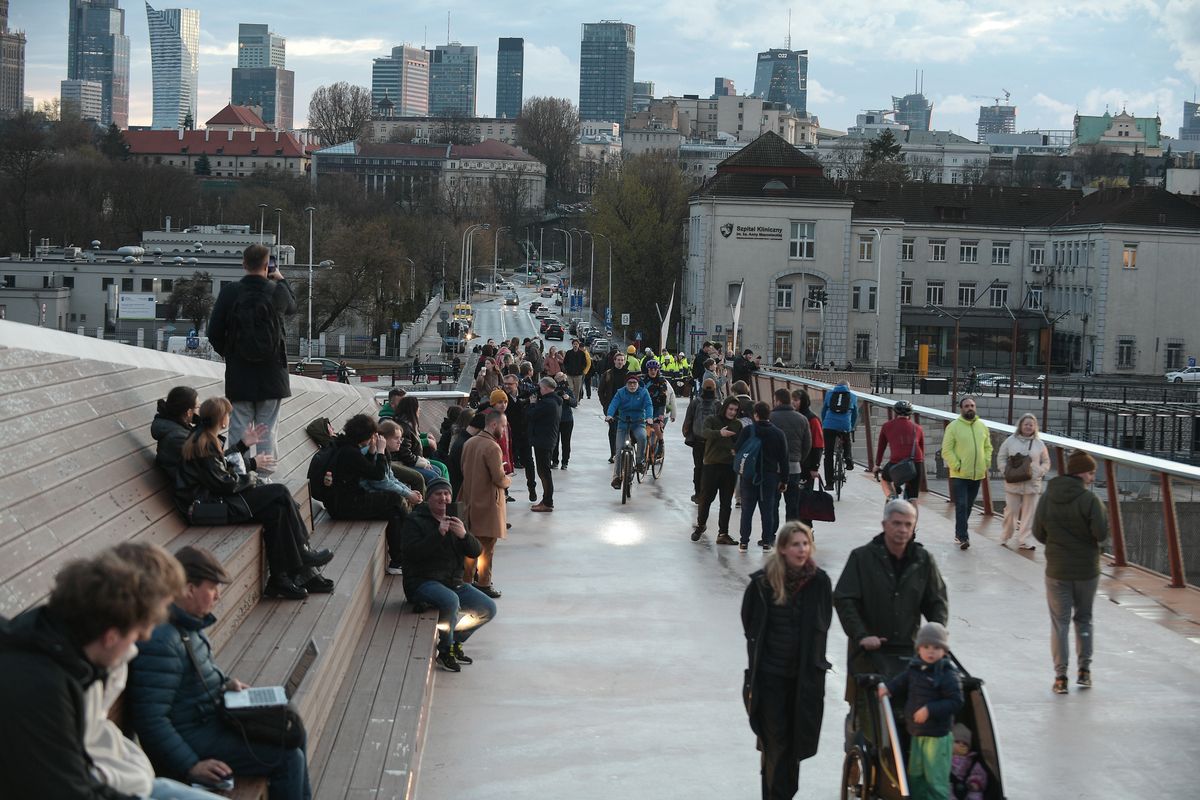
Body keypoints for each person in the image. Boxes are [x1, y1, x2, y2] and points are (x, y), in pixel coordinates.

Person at [128, 546, 313, 799]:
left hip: (210, 718)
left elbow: (193, 678)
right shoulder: (161, 640)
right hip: (194, 736)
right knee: (288, 758)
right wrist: (191, 764)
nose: (217, 596)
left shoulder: (187, 623)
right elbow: (151, 719)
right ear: (188, 589)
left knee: (291, 729)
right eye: (212, 588)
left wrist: (225, 684)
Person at [0, 547, 181, 800]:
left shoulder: (61, 654)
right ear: (111, 637)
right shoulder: (42, 686)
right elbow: (68, 790)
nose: (144, 639)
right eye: (136, 635)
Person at [177, 397, 333, 600]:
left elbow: (219, 469)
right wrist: (251, 477)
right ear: (221, 419)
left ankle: (279, 579)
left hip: (212, 503)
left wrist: (242, 445)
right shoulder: (205, 443)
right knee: (280, 492)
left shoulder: (203, 438)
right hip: (211, 507)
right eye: (227, 415)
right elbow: (225, 483)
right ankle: (302, 552)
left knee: (276, 512)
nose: (229, 418)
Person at [834, 500, 948, 737]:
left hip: (910, 654)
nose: (903, 530)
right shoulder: (862, 558)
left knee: (909, 723)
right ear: (884, 524)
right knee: (869, 726)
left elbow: (937, 602)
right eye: (897, 523)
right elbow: (845, 599)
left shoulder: (923, 560)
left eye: (908, 524)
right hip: (868, 656)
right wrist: (862, 635)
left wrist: (935, 639)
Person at [740, 522, 831, 800]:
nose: (802, 549)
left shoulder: (820, 582)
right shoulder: (762, 583)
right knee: (776, 745)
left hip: (803, 680)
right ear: (782, 549)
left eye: (806, 544)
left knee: (794, 749)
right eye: (796, 544)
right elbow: (750, 623)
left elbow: (823, 622)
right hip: (769, 680)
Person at [206, 244, 296, 473]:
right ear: (267, 266)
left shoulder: (230, 292)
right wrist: (280, 278)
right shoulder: (277, 291)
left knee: (239, 429)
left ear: (244, 264)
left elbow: (214, 332)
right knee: (268, 431)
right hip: (273, 376)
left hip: (240, 375)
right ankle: (265, 479)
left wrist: (231, 354)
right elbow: (293, 306)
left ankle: (237, 475)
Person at [398, 477, 496, 672]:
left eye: (447, 494)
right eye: (438, 494)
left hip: (452, 581)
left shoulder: (455, 517)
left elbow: (475, 552)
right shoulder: (415, 520)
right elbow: (412, 554)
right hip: (422, 582)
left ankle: (455, 641)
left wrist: (464, 536)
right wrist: (438, 534)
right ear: (428, 498)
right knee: (451, 601)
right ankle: (444, 652)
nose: (443, 498)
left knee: (487, 608)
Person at [1033, 450, 1108, 695]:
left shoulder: (1048, 496)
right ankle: (1084, 672)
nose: (1092, 476)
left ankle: (1060, 677)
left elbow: (1037, 532)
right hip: (1087, 570)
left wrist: (1056, 544)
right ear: (1081, 472)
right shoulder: (1090, 500)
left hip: (1057, 570)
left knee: (1060, 624)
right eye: (1091, 471)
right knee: (1084, 619)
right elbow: (1101, 533)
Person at [152, 385, 275, 510]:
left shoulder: (179, 431)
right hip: (202, 500)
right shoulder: (178, 439)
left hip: (206, 492)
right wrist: (251, 464)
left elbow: (213, 463)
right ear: (189, 412)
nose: (200, 412)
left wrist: (242, 445)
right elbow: (213, 468)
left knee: (278, 498)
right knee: (277, 497)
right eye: (198, 407)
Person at [878, 622, 964, 800]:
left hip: (937, 738)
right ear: (918, 649)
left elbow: (956, 701)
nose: (930, 651)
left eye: (936, 647)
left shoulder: (948, 674)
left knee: (935, 780)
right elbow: (902, 681)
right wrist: (889, 688)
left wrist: (930, 709)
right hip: (917, 733)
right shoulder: (915, 668)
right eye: (926, 647)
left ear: (944, 651)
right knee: (916, 776)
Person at [323, 414, 411, 577]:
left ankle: (398, 561)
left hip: (341, 503)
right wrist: (380, 452)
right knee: (395, 498)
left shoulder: (347, 447)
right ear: (364, 435)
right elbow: (377, 475)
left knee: (393, 513)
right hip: (344, 506)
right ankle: (410, 545)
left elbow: (367, 470)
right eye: (372, 435)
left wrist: (371, 452)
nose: (374, 437)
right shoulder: (350, 452)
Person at [460, 411, 511, 599]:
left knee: (470, 546)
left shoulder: (469, 443)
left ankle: (466, 581)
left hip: (470, 500)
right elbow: (498, 478)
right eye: (503, 426)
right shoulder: (492, 447)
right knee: (487, 547)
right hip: (488, 503)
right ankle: (484, 584)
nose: (504, 430)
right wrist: (508, 480)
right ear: (494, 425)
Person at [734, 402, 789, 553]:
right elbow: (784, 459)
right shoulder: (778, 433)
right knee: (768, 510)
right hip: (770, 477)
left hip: (749, 476)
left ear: (755, 415)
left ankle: (744, 543)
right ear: (769, 414)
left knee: (747, 510)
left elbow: (737, 449)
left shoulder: (748, 431)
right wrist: (784, 480)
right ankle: (766, 542)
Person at [941, 397, 993, 550]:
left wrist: (986, 462)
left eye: (972, 405)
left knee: (968, 505)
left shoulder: (982, 426)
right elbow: (947, 450)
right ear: (961, 408)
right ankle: (963, 536)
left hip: (977, 474)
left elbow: (988, 447)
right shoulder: (953, 427)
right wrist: (956, 465)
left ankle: (959, 533)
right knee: (961, 504)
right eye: (966, 406)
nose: (970, 408)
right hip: (959, 474)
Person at [694, 396, 744, 544]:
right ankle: (701, 525)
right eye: (730, 409)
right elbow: (704, 433)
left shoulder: (737, 425)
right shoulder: (712, 420)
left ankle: (723, 533)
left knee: (726, 502)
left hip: (729, 467)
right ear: (725, 408)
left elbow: (741, 441)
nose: (732, 412)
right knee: (706, 499)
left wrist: (737, 449)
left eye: (735, 410)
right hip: (711, 465)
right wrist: (719, 433)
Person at [998, 413, 1051, 551]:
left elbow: (1046, 461)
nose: (1028, 427)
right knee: (1011, 511)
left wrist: (1040, 471)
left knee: (1029, 513)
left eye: (1031, 425)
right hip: (1013, 482)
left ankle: (1025, 540)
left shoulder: (1039, 444)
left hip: (1032, 483)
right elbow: (1001, 457)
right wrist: (1005, 471)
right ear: (1020, 425)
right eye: (1026, 424)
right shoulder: (1010, 441)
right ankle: (1006, 535)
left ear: (1035, 427)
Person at [874, 400, 925, 514]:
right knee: (913, 498)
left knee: (885, 479)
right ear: (910, 414)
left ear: (895, 413)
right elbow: (922, 451)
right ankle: (911, 529)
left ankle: (892, 498)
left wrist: (877, 465)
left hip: (896, 462)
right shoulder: (918, 428)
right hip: (915, 463)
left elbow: (881, 447)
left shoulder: (887, 426)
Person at [770, 388, 812, 523]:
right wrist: (799, 459)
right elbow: (807, 444)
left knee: (772, 504)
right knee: (793, 504)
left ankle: (770, 535)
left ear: (777, 401)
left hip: (773, 468)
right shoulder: (802, 419)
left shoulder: (770, 418)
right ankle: (790, 535)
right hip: (794, 468)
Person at [607, 373, 653, 488]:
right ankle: (617, 477)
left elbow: (648, 405)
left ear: (638, 384)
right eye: (630, 383)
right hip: (623, 423)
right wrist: (609, 415)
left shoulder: (643, 392)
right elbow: (613, 404)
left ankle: (639, 462)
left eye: (634, 383)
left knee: (642, 437)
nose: (632, 385)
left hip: (638, 423)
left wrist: (649, 417)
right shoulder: (620, 392)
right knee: (618, 450)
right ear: (626, 384)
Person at [682, 378, 721, 503]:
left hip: (698, 440)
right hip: (712, 442)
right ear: (715, 389)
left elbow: (688, 421)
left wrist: (687, 434)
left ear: (702, 389)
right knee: (710, 468)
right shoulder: (718, 404)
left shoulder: (695, 402)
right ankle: (708, 493)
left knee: (698, 467)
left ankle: (698, 493)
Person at [527, 377, 562, 512]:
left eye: (541, 388)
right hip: (548, 439)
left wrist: (532, 403)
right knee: (544, 472)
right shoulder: (556, 400)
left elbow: (531, 415)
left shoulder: (547, 403)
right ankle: (546, 500)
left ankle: (547, 502)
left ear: (546, 388)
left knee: (544, 473)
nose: (539, 390)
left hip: (543, 441)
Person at [503, 374, 537, 502]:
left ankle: (532, 488)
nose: (506, 386)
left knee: (528, 462)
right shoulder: (503, 397)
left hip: (524, 435)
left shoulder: (526, 394)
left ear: (516, 384)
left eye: (509, 384)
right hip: (509, 436)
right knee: (506, 464)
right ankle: (505, 492)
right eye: (505, 384)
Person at [792, 389, 824, 526]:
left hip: (807, 466)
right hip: (796, 464)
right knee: (795, 499)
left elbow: (818, 444)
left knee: (804, 499)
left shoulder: (812, 419)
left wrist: (814, 466)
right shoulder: (794, 417)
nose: (793, 402)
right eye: (792, 399)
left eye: (796, 400)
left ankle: (806, 528)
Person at [821, 380, 858, 485]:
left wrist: (824, 423)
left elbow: (824, 411)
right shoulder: (853, 396)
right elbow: (855, 414)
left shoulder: (829, 394)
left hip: (829, 426)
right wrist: (851, 426)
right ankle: (848, 458)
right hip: (844, 425)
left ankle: (829, 483)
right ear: (848, 387)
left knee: (828, 453)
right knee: (847, 439)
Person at [598, 351, 631, 463]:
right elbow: (600, 391)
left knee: (626, 430)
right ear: (614, 361)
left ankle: (626, 451)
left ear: (625, 361)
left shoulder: (629, 374)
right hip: (611, 408)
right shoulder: (608, 374)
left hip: (626, 407)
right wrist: (605, 405)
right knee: (613, 431)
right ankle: (614, 453)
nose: (620, 362)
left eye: (622, 360)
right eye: (618, 360)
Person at [446, 411, 485, 501]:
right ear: (481, 429)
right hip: (461, 493)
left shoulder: (463, 440)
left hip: (458, 489)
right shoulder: (467, 444)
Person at [950, 723, 988, 800]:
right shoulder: (946, 758)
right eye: (957, 742)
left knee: (976, 795)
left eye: (965, 744)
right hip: (950, 786)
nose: (961, 745)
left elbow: (979, 773)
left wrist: (975, 782)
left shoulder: (971, 760)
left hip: (968, 786)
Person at [552, 372, 577, 469]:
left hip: (567, 419)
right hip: (555, 419)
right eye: (558, 379)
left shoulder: (568, 391)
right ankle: (554, 461)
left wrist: (568, 398)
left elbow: (574, 403)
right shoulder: (553, 390)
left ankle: (565, 462)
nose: (560, 381)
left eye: (562, 379)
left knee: (566, 442)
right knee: (554, 441)